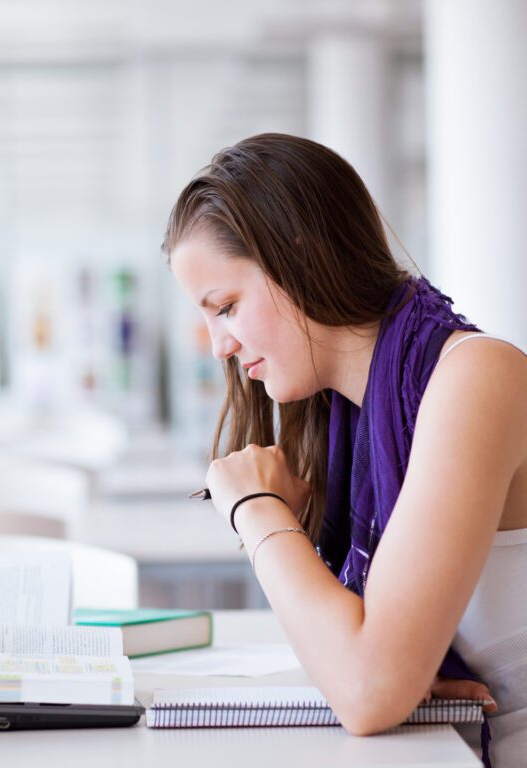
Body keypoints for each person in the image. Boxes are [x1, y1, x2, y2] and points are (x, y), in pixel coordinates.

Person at [164, 133, 526, 767]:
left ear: (300, 257)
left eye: (226, 307)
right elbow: (363, 672)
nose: (219, 345)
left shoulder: (476, 379)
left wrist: (255, 508)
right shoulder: (341, 421)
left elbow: (365, 693)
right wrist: (406, 660)